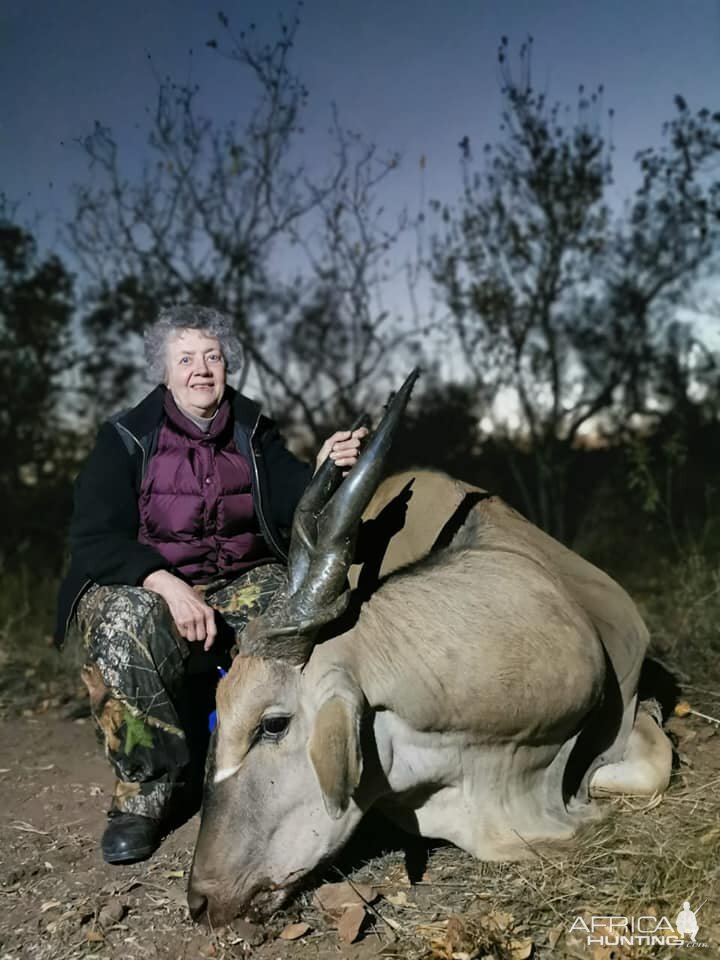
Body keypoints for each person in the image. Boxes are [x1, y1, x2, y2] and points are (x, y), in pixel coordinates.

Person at [55, 304, 367, 864]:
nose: (201, 369)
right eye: (186, 359)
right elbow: (93, 538)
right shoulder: (125, 437)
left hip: (241, 579)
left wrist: (325, 463)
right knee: (121, 623)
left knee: (313, 609)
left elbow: (294, 498)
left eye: (213, 356)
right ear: (165, 371)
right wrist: (165, 583)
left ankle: (289, 767)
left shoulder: (252, 429)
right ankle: (146, 792)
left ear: (227, 365)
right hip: (152, 585)